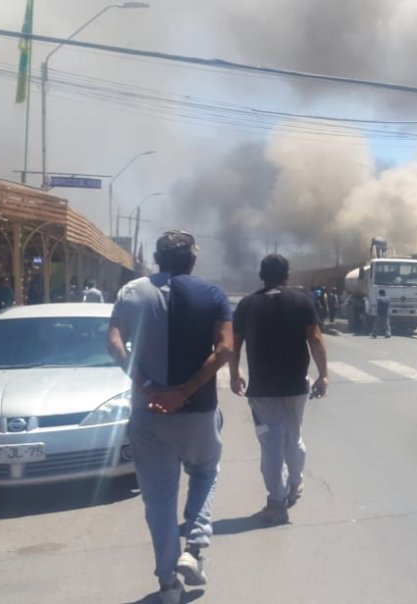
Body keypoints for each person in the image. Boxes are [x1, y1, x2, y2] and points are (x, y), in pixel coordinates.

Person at [108, 230, 233, 604]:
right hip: (198, 410)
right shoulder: (212, 295)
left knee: (158, 500)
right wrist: (185, 390)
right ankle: (194, 549)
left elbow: (114, 342)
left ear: (158, 259)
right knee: (206, 471)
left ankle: (167, 586)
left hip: (149, 412)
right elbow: (225, 348)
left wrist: (147, 387)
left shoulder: (132, 292)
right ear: (192, 260)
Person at [230, 254, 328, 526]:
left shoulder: (247, 305)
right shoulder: (302, 301)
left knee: (271, 446)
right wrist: (324, 376)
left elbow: (234, 344)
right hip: (296, 386)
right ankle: (295, 485)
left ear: (261, 276)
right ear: (287, 276)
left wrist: (234, 373)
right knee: (294, 437)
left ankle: (276, 502)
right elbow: (316, 340)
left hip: (262, 391)